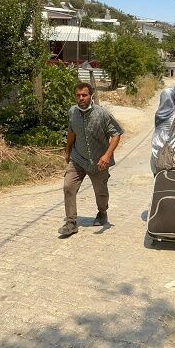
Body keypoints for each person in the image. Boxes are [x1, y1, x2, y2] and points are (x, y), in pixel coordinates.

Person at [60, 82, 124, 237]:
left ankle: (102, 212)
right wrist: (68, 151)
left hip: (98, 161)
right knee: (68, 186)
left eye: (84, 95)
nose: (81, 98)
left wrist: (107, 155)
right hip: (78, 158)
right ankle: (71, 222)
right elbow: (71, 133)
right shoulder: (72, 112)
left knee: (101, 192)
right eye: (78, 95)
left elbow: (116, 134)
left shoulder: (102, 113)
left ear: (91, 96)